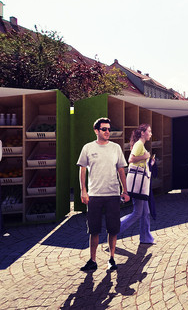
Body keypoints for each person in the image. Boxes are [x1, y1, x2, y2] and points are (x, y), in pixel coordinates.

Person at [78, 117, 130, 272]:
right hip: (94, 194)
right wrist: (83, 190)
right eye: (104, 129)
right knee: (93, 229)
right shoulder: (88, 148)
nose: (108, 132)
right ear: (96, 131)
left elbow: (121, 170)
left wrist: (125, 191)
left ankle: (112, 259)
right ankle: (92, 260)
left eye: (109, 129)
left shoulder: (116, 148)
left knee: (113, 229)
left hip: (113, 194)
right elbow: (82, 170)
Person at [119, 123, 155, 244]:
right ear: (143, 133)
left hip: (141, 185)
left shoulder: (141, 145)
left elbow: (140, 162)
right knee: (138, 213)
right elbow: (131, 159)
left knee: (145, 213)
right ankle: (115, 228)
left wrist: (150, 162)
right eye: (149, 131)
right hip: (138, 185)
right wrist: (145, 156)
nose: (151, 134)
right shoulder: (139, 144)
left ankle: (146, 238)